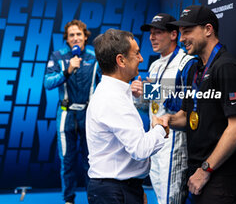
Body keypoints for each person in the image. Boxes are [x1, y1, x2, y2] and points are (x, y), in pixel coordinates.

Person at [158, 5, 236, 204]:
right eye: (181, 32)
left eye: (187, 31)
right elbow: (185, 115)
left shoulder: (226, 66)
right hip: (197, 171)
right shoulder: (194, 69)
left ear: (208, 30)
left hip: (218, 175)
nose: (181, 39)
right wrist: (169, 119)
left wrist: (206, 169)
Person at [86, 29, 169, 204]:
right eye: (137, 53)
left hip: (121, 189)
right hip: (116, 191)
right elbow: (140, 149)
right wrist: (160, 129)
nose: (141, 58)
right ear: (121, 60)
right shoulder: (113, 99)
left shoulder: (114, 94)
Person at [132, 13, 196, 204]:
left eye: (158, 32)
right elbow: (151, 107)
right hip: (155, 138)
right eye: (151, 33)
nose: (152, 37)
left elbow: (188, 101)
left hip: (175, 140)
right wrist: (139, 96)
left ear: (174, 34)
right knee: (160, 196)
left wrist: (154, 90)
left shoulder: (186, 62)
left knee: (171, 199)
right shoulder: (154, 65)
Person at [44, 19, 100, 204]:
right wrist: (67, 71)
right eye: (71, 35)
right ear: (67, 39)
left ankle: (93, 198)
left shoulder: (95, 57)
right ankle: (68, 200)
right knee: (67, 162)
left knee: (90, 162)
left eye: (78, 34)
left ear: (85, 36)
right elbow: (48, 83)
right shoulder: (58, 56)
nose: (75, 38)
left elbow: (108, 82)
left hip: (89, 117)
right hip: (66, 116)